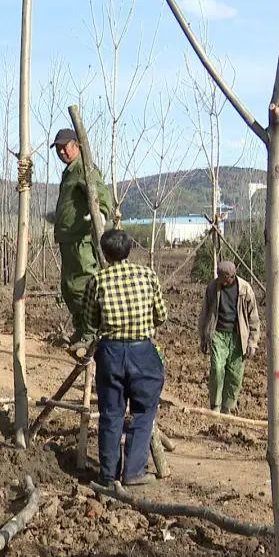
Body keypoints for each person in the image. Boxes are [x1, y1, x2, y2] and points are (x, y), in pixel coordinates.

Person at [84, 229, 167, 487]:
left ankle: (108, 474)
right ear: (130, 249)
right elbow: (161, 315)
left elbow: (90, 320)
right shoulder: (147, 275)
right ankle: (133, 473)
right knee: (143, 412)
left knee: (111, 413)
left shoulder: (98, 280)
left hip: (110, 353)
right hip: (143, 352)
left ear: (104, 253)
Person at [51, 127, 113, 349]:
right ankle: (80, 329)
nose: (61, 152)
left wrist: (101, 214)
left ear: (76, 145)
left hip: (81, 241)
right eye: (57, 149)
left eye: (64, 147)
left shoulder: (84, 169)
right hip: (68, 239)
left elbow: (100, 195)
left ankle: (90, 332)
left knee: (82, 285)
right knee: (68, 287)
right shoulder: (69, 172)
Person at [198, 260, 260, 414]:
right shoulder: (212, 288)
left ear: (230, 277)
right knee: (217, 369)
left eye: (222, 278)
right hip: (218, 334)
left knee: (235, 374)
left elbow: (253, 317)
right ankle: (216, 406)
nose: (219, 280)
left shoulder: (245, 290)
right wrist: (203, 337)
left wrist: (252, 342)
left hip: (238, 336)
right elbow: (205, 313)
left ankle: (228, 407)